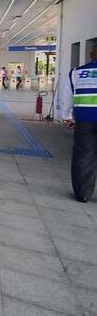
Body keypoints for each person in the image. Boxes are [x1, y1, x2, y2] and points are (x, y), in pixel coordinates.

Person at [60, 45, 97, 202]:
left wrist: (66, 116)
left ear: (91, 54)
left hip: (85, 121)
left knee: (83, 156)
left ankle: (83, 194)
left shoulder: (77, 73)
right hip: (85, 120)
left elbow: (66, 96)